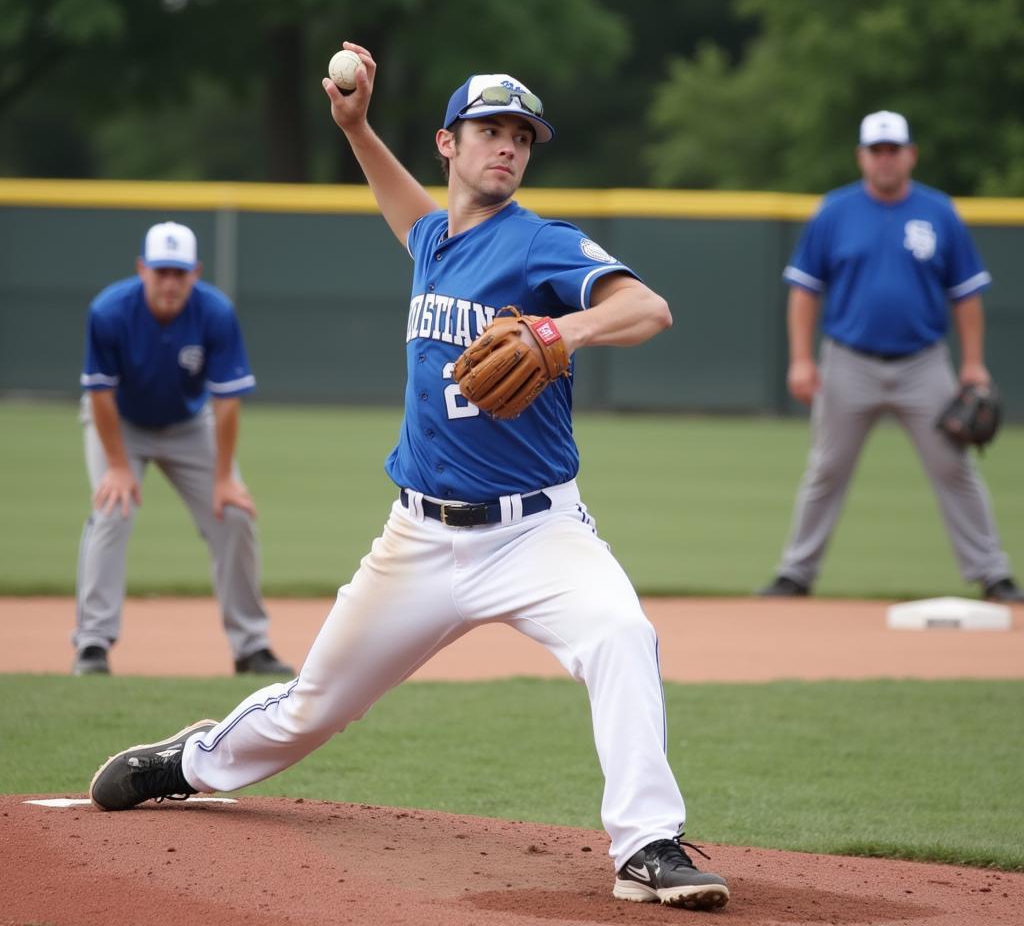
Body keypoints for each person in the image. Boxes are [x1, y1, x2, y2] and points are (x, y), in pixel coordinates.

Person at [87, 47, 730, 912]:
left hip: (536, 532)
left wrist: (561, 334)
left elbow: (646, 308)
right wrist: (354, 127)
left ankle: (647, 843)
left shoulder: (541, 242)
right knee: (312, 706)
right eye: (488, 131)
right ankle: (192, 762)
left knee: (620, 633)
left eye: (521, 137)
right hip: (419, 538)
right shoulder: (434, 239)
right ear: (448, 144)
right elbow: (405, 206)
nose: (506, 147)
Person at [760, 111, 1021, 603]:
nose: (885, 159)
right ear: (862, 156)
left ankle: (993, 573)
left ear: (910, 154)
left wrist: (973, 363)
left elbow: (966, 294)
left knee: (955, 468)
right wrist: (801, 358)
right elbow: (804, 291)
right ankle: (796, 573)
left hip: (924, 363)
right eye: (876, 151)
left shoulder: (939, 212)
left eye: (893, 150)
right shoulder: (835, 212)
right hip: (848, 361)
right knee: (826, 469)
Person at [73, 222, 294, 676]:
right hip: (120, 422)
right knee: (112, 510)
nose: (169, 282)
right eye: (161, 272)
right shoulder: (109, 312)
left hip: (189, 425)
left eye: (178, 272)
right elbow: (99, 394)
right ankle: (92, 644)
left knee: (233, 513)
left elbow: (227, 402)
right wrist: (116, 465)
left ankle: (251, 646)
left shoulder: (214, 312)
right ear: (142, 270)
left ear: (195, 272)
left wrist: (223, 478)